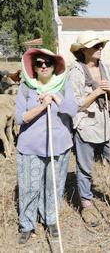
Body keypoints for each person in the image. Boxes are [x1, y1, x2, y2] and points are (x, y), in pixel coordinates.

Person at [69, 31, 110, 227]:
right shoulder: (76, 72)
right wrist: (97, 91)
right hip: (86, 124)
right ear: (83, 50)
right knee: (85, 167)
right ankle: (87, 205)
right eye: (95, 45)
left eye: (100, 45)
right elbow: (76, 104)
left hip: (107, 123)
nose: (99, 48)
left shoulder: (107, 69)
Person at [16, 48, 78, 244]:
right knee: (29, 187)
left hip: (58, 145)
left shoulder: (63, 85)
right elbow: (20, 118)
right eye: (39, 63)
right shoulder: (26, 88)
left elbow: (72, 109)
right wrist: (42, 105)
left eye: (48, 63)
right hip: (30, 146)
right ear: (33, 67)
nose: (43, 66)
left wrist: (54, 97)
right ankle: (27, 224)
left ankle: (50, 219)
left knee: (54, 185)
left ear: (54, 66)